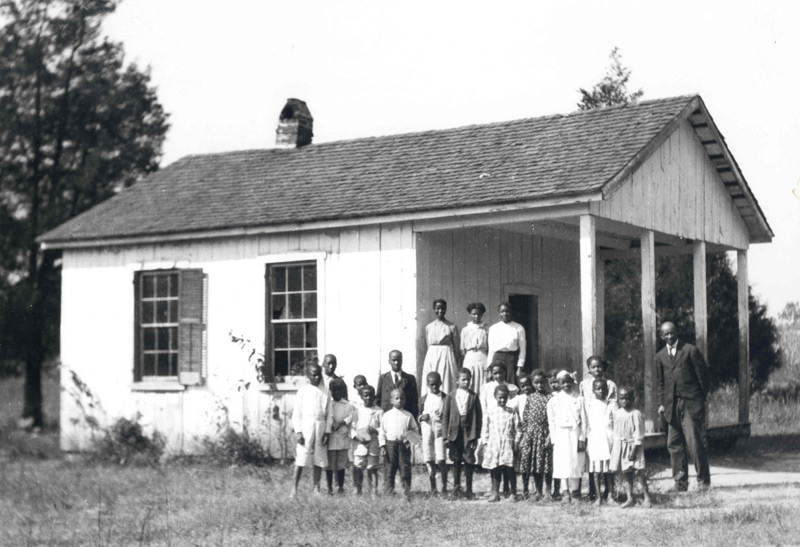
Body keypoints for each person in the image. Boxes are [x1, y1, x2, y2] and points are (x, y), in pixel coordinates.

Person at [655, 321, 711, 491]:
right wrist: (662, 404)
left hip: (690, 404)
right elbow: (660, 383)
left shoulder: (690, 351)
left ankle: (703, 483)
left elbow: (704, 378)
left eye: (672, 333)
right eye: (666, 334)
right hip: (671, 406)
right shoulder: (660, 356)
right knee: (674, 444)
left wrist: (700, 400)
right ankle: (680, 483)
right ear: (661, 336)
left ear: (676, 332)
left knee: (695, 444)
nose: (670, 336)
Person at [291, 362, 332, 497]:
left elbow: (329, 414)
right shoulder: (302, 391)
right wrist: (298, 431)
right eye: (314, 375)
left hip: (320, 426)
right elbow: (296, 414)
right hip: (306, 426)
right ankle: (294, 490)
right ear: (307, 376)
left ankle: (316, 489)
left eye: (319, 375)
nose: (317, 378)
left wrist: (327, 431)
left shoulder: (326, 392)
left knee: (319, 458)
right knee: (302, 457)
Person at [442, 368, 482, 500]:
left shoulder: (474, 396)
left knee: (469, 460)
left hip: (469, 432)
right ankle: (456, 488)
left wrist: (476, 436)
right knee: (456, 460)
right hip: (455, 432)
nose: (467, 382)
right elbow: (445, 417)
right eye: (463, 379)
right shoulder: (450, 396)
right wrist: (445, 436)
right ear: (457, 381)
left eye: (468, 379)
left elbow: (479, 417)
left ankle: (469, 490)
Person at [547, 370, 586, 502]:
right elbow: (551, 422)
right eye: (563, 382)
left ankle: (575, 492)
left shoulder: (579, 399)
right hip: (560, 434)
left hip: (575, 433)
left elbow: (584, 421)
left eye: (568, 382)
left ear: (572, 382)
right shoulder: (554, 401)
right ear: (558, 383)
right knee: (562, 463)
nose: (566, 385)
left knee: (576, 462)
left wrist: (582, 438)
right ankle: (565, 492)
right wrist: (554, 439)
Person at [611, 387, 652, 508]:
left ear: (633, 399)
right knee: (626, 473)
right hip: (621, 446)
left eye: (627, 399)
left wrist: (634, 449)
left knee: (639, 472)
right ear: (618, 399)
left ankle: (647, 497)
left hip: (633, 446)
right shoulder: (617, 413)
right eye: (621, 398)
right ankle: (630, 498)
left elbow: (639, 433)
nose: (624, 401)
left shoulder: (636, 413)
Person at [480, 383, 521, 502]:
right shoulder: (491, 412)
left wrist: (517, 442)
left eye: (504, 397)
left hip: (508, 444)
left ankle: (513, 493)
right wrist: (485, 443)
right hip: (495, 445)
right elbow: (485, 428)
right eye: (500, 397)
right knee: (495, 468)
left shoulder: (512, 412)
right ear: (495, 397)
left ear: (508, 397)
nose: (502, 400)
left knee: (510, 468)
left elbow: (518, 429)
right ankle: (495, 493)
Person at [517, 371, 553, 501]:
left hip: (545, 433)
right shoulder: (530, 398)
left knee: (546, 463)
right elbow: (525, 417)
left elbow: (553, 418)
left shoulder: (550, 397)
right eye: (536, 383)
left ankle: (548, 491)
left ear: (546, 382)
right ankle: (538, 491)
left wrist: (550, 434)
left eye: (542, 382)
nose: (539, 385)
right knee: (534, 464)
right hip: (531, 434)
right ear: (532, 384)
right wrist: (525, 434)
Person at [379, 388, 419, 497]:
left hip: (403, 446)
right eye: (397, 398)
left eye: (402, 398)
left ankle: (406, 492)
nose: (399, 400)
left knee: (405, 469)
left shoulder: (408, 415)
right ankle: (389, 493)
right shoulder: (387, 415)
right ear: (391, 400)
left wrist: (409, 438)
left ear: (405, 400)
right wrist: (383, 445)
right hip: (390, 445)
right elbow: (382, 431)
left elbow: (415, 429)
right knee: (389, 470)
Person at [585, 378, 616, 505]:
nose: (601, 391)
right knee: (597, 470)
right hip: (595, 438)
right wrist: (586, 441)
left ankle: (610, 496)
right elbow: (587, 424)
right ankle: (598, 497)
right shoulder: (589, 405)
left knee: (609, 470)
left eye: (603, 388)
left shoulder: (612, 404)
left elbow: (615, 422)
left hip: (609, 436)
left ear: (608, 390)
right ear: (593, 390)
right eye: (598, 388)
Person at [421, 299, 460, 396]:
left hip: (446, 355)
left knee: (446, 379)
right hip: (432, 355)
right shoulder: (429, 327)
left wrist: (454, 363)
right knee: (432, 377)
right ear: (434, 309)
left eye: (443, 308)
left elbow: (456, 347)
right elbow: (428, 344)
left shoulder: (451, 326)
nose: (440, 311)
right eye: (438, 308)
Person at [419, 371, 447, 496]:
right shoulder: (424, 398)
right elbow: (417, 415)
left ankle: (444, 487)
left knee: (441, 459)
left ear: (440, 383)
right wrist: (421, 417)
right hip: (427, 430)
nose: (434, 387)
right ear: (427, 385)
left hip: (439, 431)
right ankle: (433, 488)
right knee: (429, 459)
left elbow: (449, 415)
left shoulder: (445, 398)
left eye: (436, 384)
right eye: (431, 385)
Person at [351, 385, 382, 496]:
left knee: (372, 467)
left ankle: (373, 491)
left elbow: (383, 429)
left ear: (374, 397)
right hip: (360, 443)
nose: (368, 398)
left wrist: (375, 430)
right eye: (365, 396)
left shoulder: (379, 411)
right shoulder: (358, 411)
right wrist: (356, 436)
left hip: (373, 442)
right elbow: (352, 427)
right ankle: (357, 489)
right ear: (361, 397)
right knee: (358, 466)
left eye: (371, 396)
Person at [326, 378, 354, 495]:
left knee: (341, 464)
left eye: (338, 390)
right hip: (332, 437)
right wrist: (331, 424)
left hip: (342, 437)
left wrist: (342, 422)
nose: (336, 393)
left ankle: (341, 487)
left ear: (342, 391)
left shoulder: (348, 405)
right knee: (330, 464)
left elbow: (350, 417)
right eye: (333, 391)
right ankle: (329, 488)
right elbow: (327, 417)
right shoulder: (329, 405)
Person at [487, 302, 526, 385]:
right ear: (499, 313)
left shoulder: (519, 328)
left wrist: (520, 367)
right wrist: (489, 368)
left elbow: (523, 349)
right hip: (497, 358)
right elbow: (491, 350)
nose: (505, 313)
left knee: (511, 382)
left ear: (511, 312)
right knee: (497, 383)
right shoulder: (494, 328)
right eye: (502, 311)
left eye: (507, 311)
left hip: (512, 359)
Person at [376, 350, 419, 417]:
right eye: (394, 360)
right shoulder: (383, 378)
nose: (396, 362)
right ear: (389, 361)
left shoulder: (410, 379)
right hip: (387, 416)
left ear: (402, 361)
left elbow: (414, 401)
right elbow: (378, 399)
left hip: (405, 416)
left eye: (399, 360)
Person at [460, 302, 489, 393]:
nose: (476, 316)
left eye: (478, 314)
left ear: (482, 314)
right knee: (469, 380)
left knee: (482, 382)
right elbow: (462, 349)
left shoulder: (487, 329)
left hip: (482, 357)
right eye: (474, 314)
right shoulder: (465, 330)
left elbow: (490, 347)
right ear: (470, 314)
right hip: (469, 357)